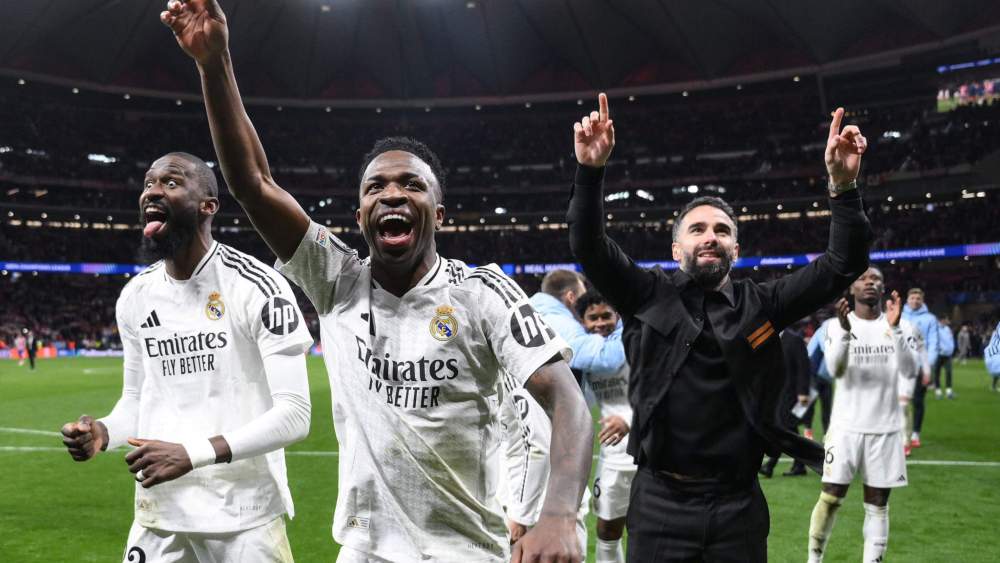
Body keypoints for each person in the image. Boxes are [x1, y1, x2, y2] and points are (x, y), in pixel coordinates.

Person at [162, 2, 594, 561]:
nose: (392, 194)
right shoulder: (336, 279)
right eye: (376, 188)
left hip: (464, 550)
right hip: (364, 550)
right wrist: (214, 63)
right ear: (361, 215)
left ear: (439, 213)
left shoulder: (483, 294)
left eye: (412, 185)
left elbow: (566, 399)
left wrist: (558, 514)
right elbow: (252, 184)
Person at [568, 93, 873, 561]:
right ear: (676, 250)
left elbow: (842, 264)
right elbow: (589, 246)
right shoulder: (646, 295)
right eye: (697, 229)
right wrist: (591, 172)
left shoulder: (764, 304)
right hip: (659, 502)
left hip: (739, 505)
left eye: (722, 230)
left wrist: (842, 187)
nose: (711, 236)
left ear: (736, 248)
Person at [59, 152, 314, 562]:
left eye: (171, 183)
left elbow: (295, 415)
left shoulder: (258, 286)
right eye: (147, 183)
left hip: (242, 517)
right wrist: (103, 433)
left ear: (207, 206)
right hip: (160, 512)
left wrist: (190, 454)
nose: (153, 191)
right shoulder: (136, 296)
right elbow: (137, 403)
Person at [806, 268, 918, 563]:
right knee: (830, 497)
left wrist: (894, 329)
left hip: (887, 429)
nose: (870, 282)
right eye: (863, 278)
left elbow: (910, 371)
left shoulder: (902, 326)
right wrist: (844, 332)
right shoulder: (834, 326)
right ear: (852, 289)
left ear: (883, 289)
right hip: (845, 428)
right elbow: (835, 370)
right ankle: (814, 560)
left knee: (878, 504)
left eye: (876, 279)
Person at [573, 290, 634, 563]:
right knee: (607, 530)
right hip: (612, 456)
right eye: (592, 318)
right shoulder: (586, 357)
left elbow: (663, 392)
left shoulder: (633, 342)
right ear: (583, 322)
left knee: (650, 529)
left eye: (606, 316)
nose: (600, 323)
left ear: (617, 316)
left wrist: (630, 420)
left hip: (648, 452)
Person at [529, 269, 626, 384]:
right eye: (582, 296)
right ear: (571, 297)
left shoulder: (533, 314)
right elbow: (606, 358)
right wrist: (624, 324)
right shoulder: (561, 324)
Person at [759, 325, 811, 478]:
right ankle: (799, 465)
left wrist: (803, 391)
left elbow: (803, 365)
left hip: (792, 394)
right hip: (776, 393)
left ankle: (770, 465)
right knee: (788, 429)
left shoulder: (794, 339)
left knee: (784, 428)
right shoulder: (770, 340)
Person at [901, 288, 938, 448]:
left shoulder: (930, 319)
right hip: (898, 367)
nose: (915, 301)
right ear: (907, 300)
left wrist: (927, 366)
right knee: (897, 402)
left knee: (917, 400)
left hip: (920, 366)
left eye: (918, 298)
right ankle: (900, 434)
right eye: (912, 298)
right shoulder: (899, 316)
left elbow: (933, 343)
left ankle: (915, 433)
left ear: (922, 301)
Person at [804, 317, 834, 440]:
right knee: (808, 404)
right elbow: (826, 348)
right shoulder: (823, 330)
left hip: (825, 376)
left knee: (827, 406)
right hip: (813, 373)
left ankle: (827, 434)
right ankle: (807, 431)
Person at [934, 316, 956, 399]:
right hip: (938, 354)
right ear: (942, 320)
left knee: (949, 372)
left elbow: (950, 339)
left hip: (947, 355)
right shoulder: (935, 329)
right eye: (946, 319)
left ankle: (949, 392)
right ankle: (938, 392)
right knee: (937, 373)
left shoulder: (947, 329)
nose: (947, 321)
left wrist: (951, 349)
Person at [986, 321, 1000, 392]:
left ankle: (993, 386)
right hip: (995, 353)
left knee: (997, 371)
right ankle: (993, 386)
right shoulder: (996, 333)